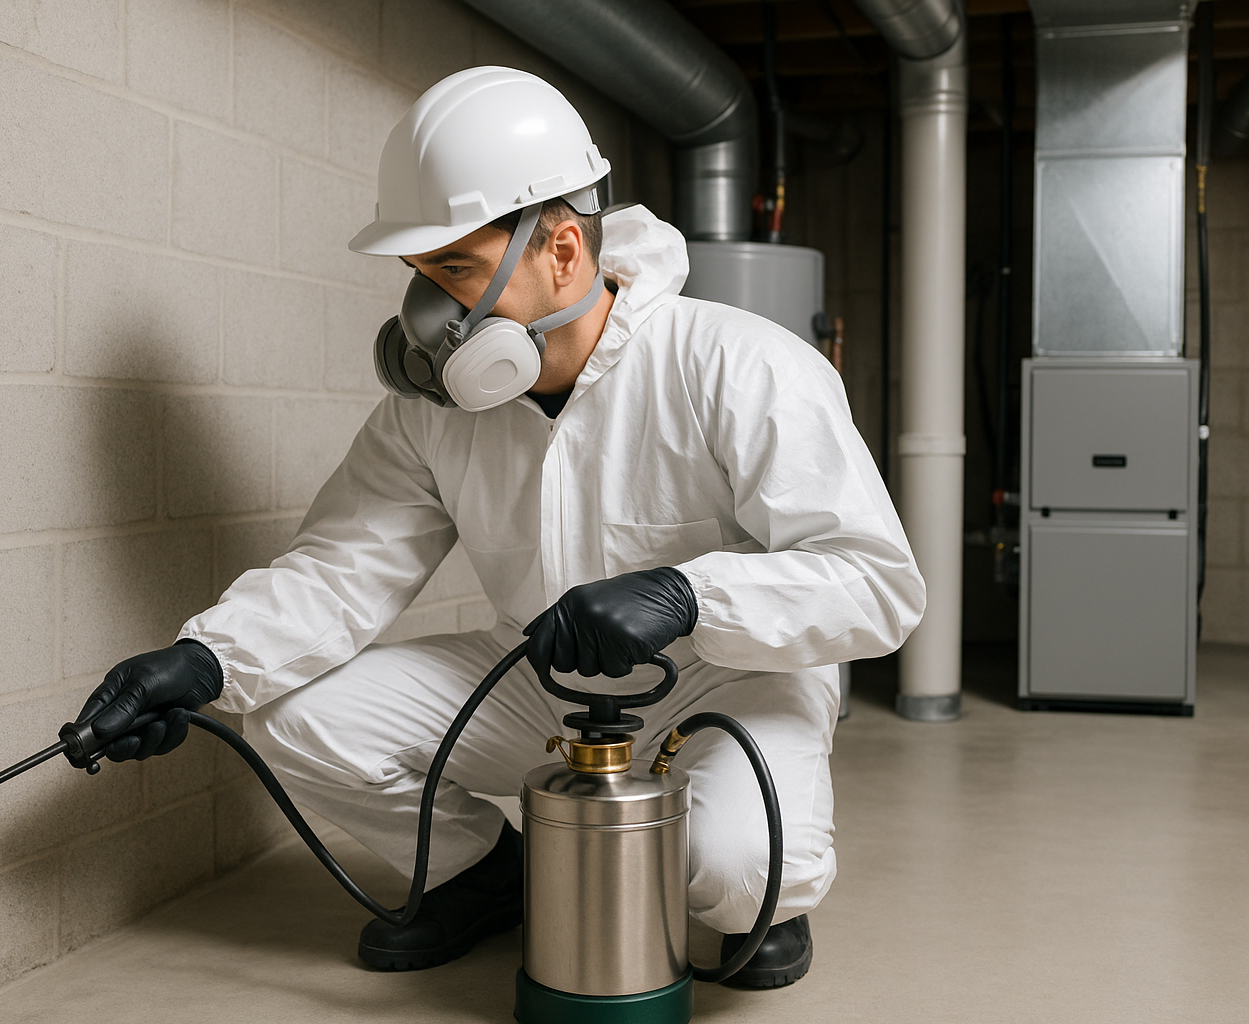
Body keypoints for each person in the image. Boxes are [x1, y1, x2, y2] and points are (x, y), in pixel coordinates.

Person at [74, 66, 925, 989]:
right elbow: (342, 566)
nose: (430, 317)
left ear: (562, 248)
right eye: (420, 277)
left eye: (455, 271)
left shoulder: (736, 364)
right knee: (294, 715)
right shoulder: (433, 413)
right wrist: (202, 663)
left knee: (731, 874)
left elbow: (876, 582)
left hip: (731, 683)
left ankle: (770, 898)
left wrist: (690, 595)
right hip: (543, 680)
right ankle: (481, 873)